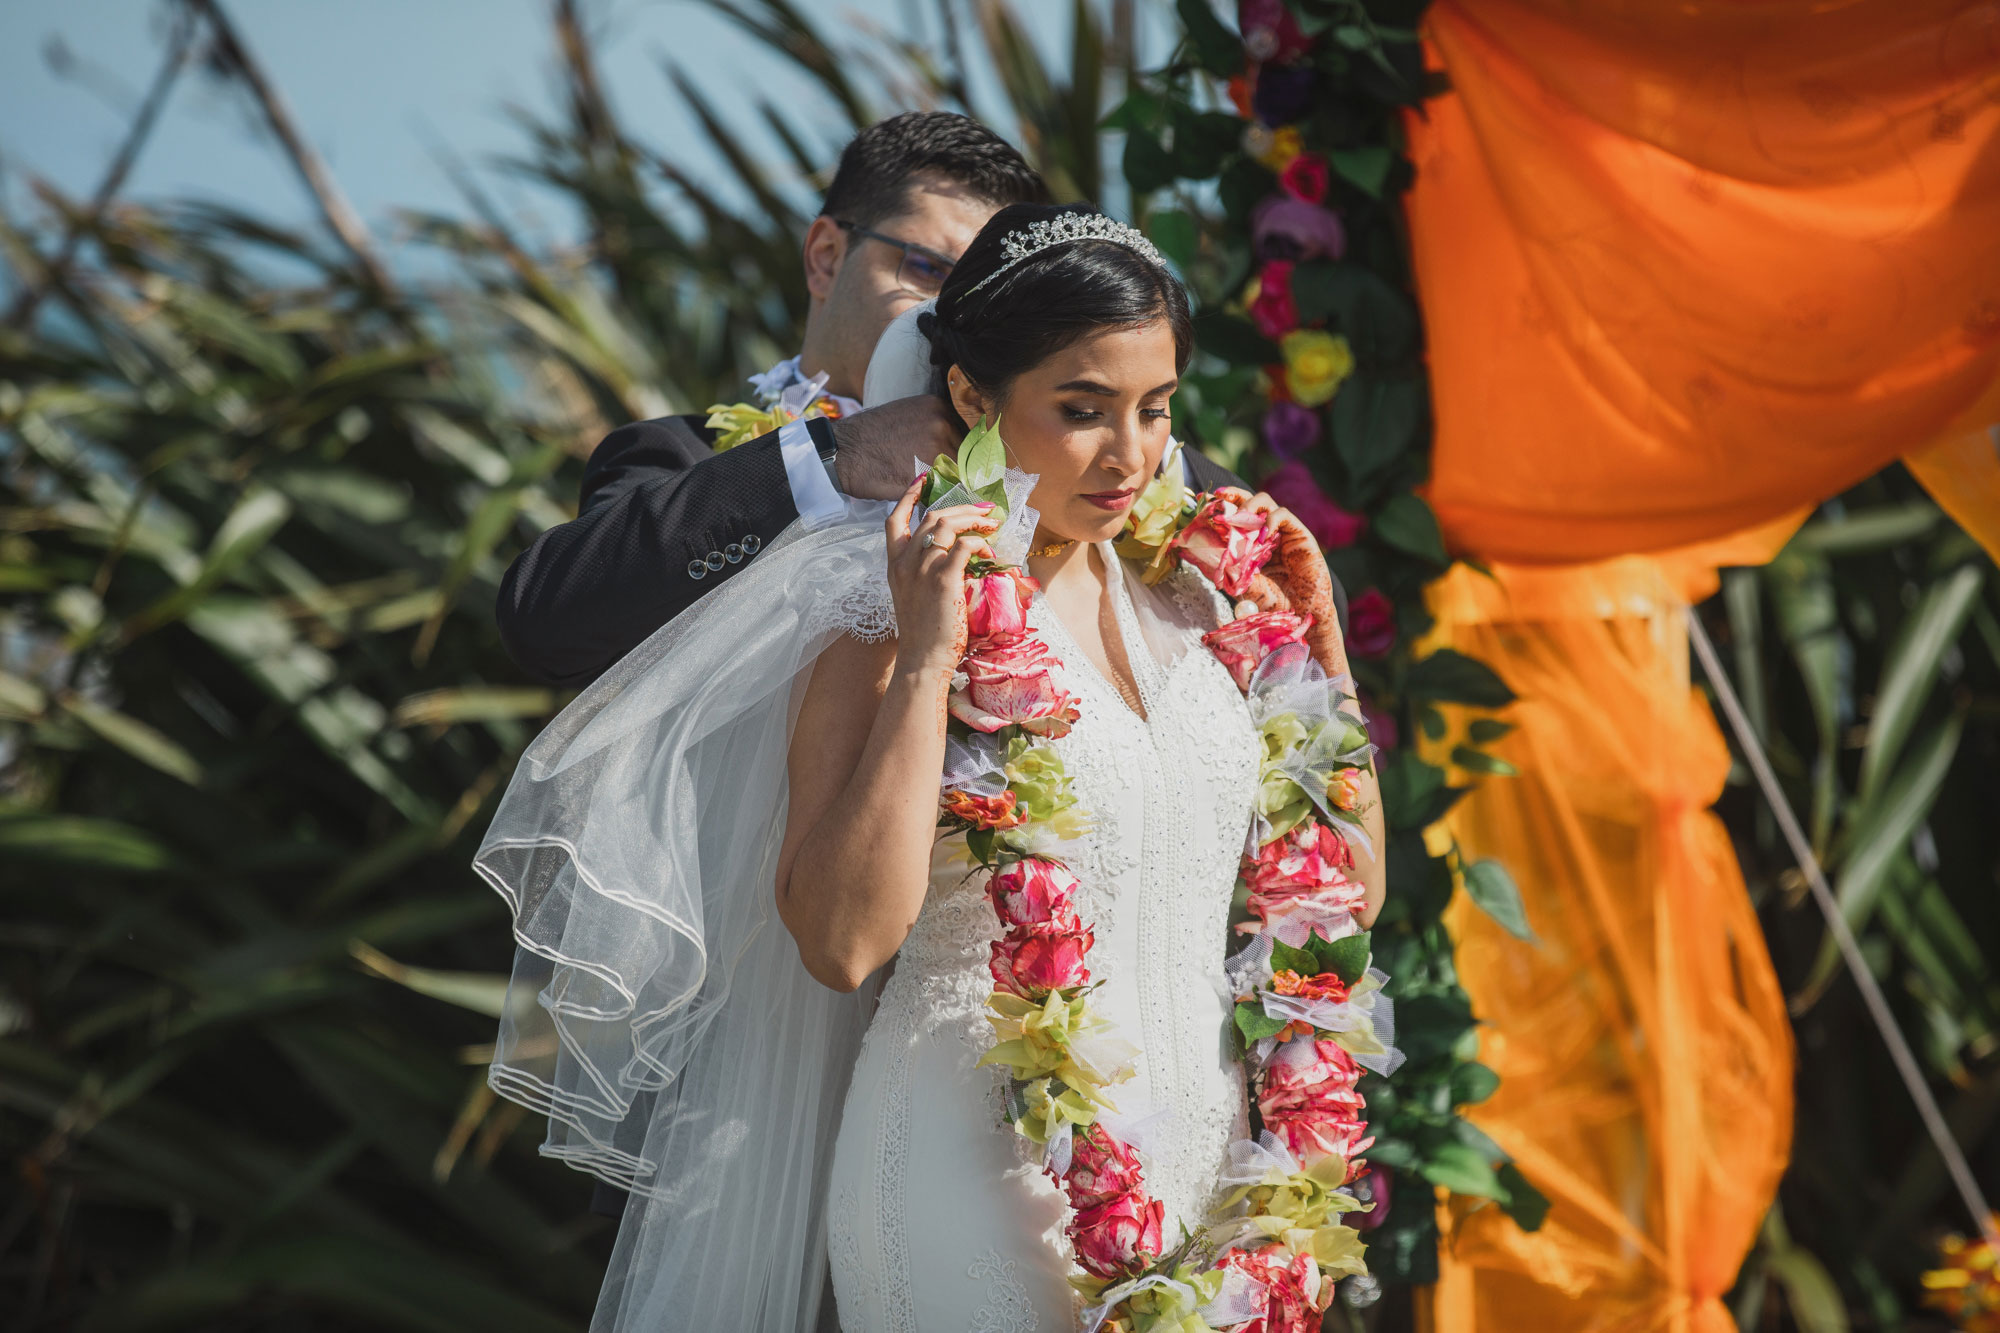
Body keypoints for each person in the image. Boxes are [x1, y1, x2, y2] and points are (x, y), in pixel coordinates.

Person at [475, 203, 1385, 1331]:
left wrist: (1322, 661)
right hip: (974, 1183)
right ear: (970, 397)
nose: (1133, 456)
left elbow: (1343, 900)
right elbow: (841, 940)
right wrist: (924, 661)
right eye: (1081, 410)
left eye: (1155, 410)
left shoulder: (1195, 605)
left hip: (1219, 1190)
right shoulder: (886, 593)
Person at [493, 111, 1324, 693]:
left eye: (987, 291)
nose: (950, 314)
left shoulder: (1120, 463)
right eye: (929, 270)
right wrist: (831, 462)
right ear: (825, 257)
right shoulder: (690, 461)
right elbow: (548, 623)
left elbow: (1293, 595)